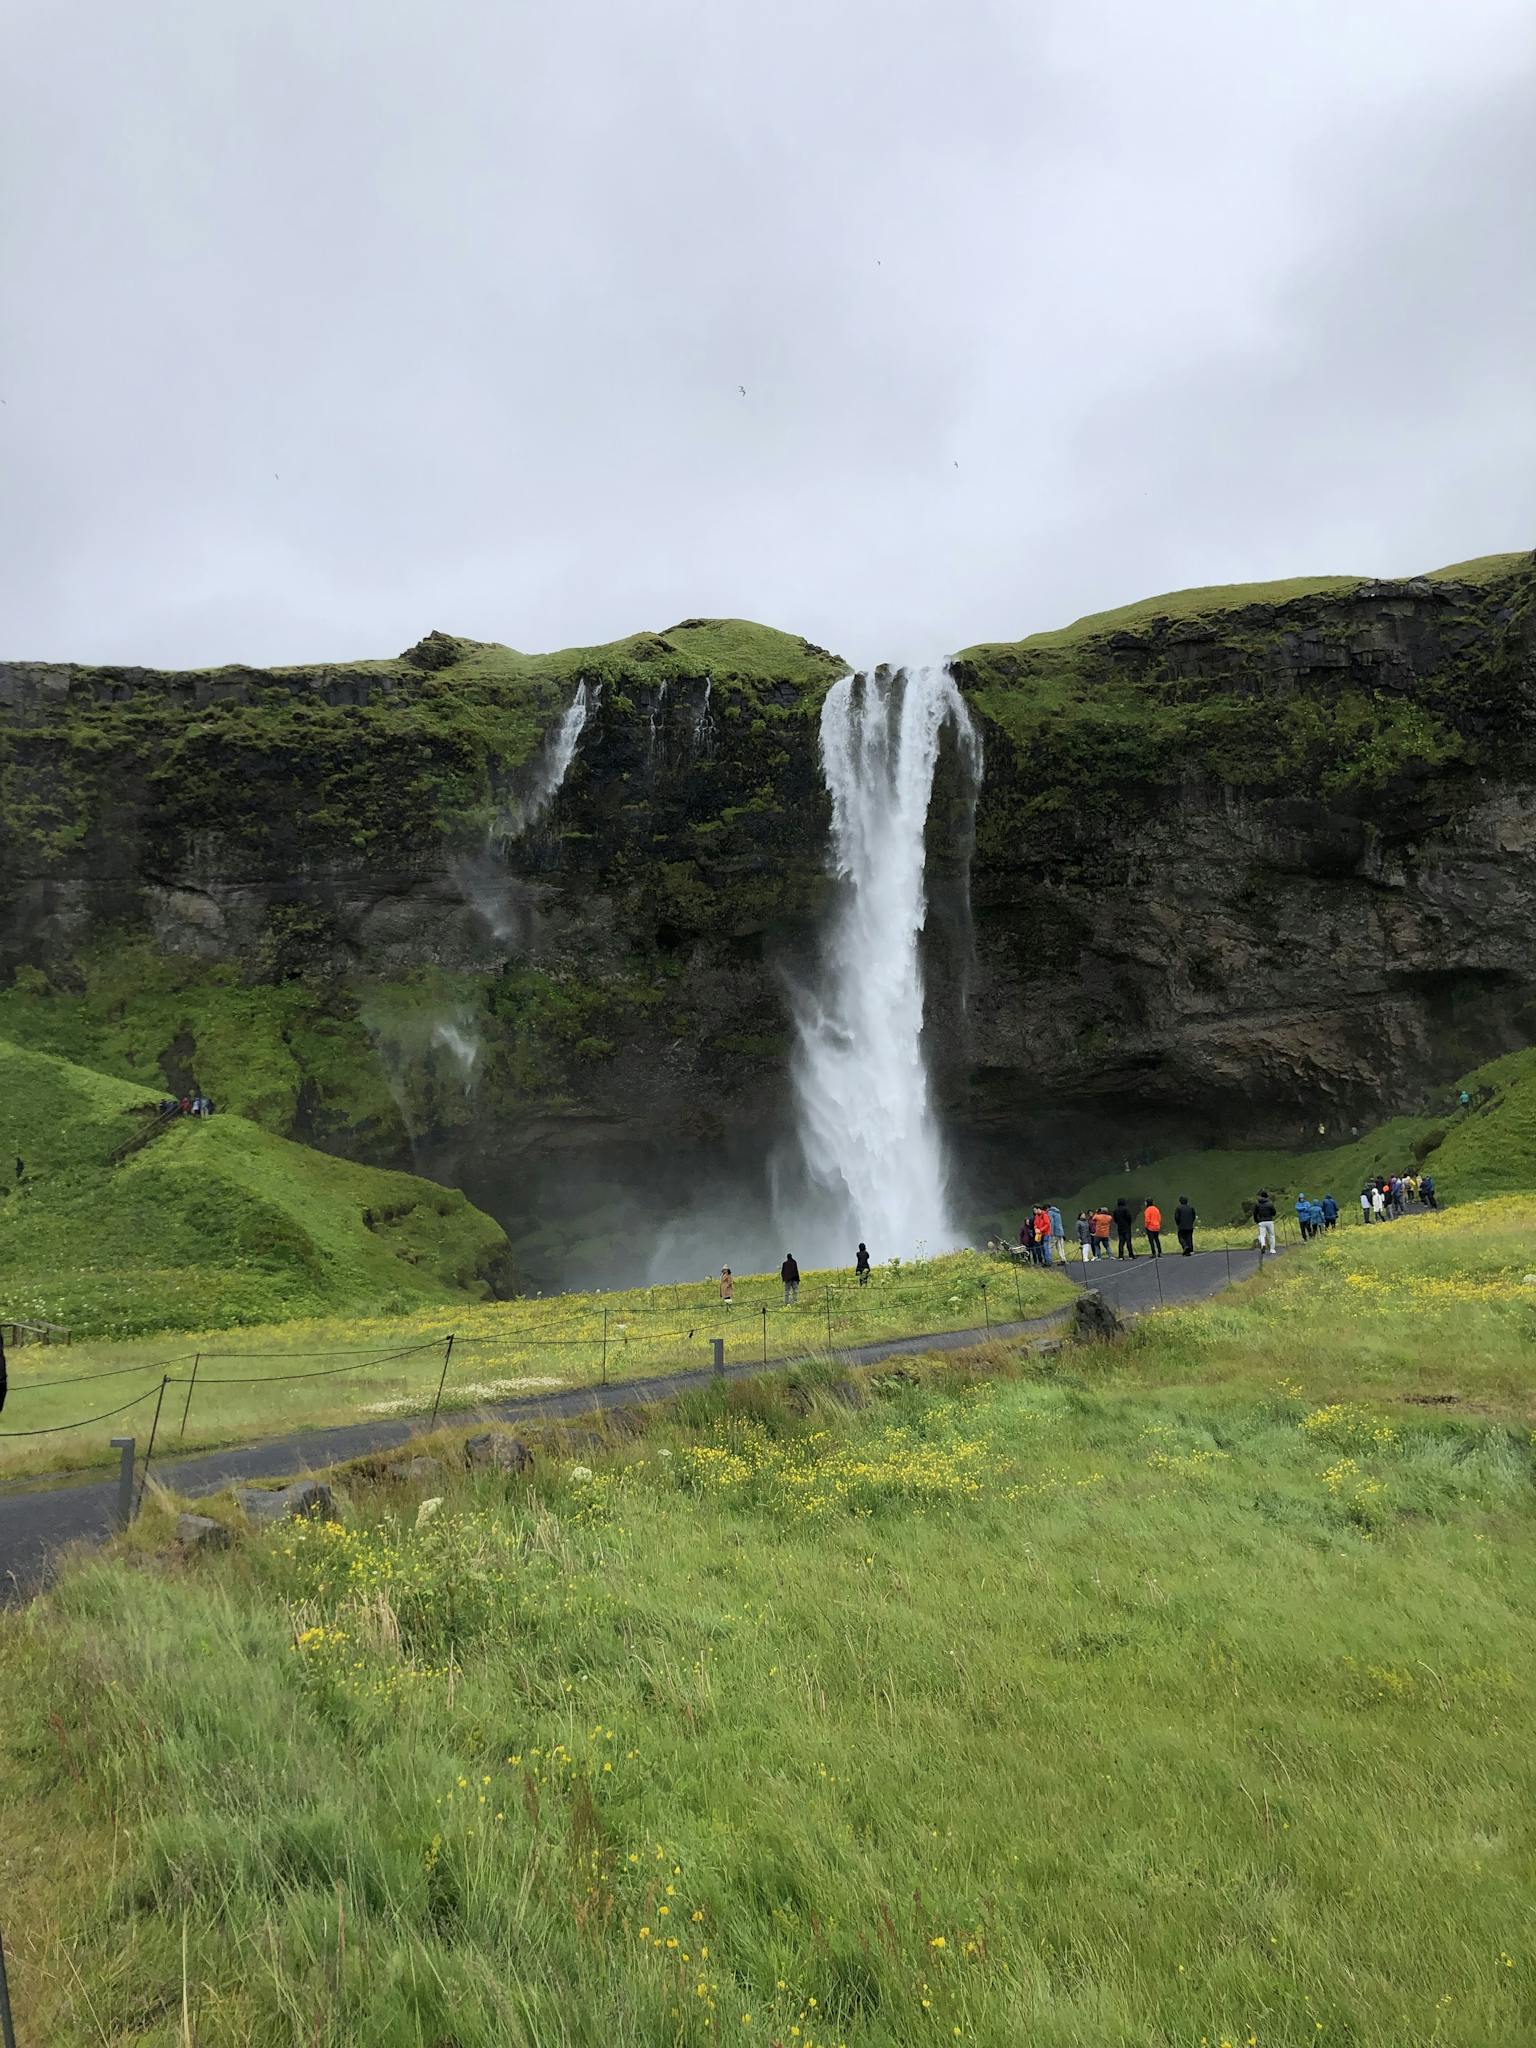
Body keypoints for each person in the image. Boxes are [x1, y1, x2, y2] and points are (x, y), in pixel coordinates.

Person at [1254, 1188, 1277, 1255]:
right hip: (1269, 1221)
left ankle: (1263, 1244)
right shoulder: (1270, 1203)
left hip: (1261, 1221)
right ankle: (1272, 1249)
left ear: (1261, 1196)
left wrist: (1256, 1221)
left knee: (1262, 1235)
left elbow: (1255, 1213)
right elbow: (1274, 1212)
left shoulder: (1257, 1204)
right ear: (1267, 1196)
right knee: (1271, 1235)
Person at [1032, 1203, 1053, 1267]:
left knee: (1046, 1247)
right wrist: (1035, 1228)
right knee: (1043, 1248)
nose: (1034, 1212)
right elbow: (1035, 1224)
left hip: (1046, 1233)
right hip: (1040, 1234)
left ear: (1039, 1209)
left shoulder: (1044, 1215)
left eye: (1035, 1210)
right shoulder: (1036, 1216)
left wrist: (1040, 1230)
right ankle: (1046, 1261)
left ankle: (1048, 1261)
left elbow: (1047, 1224)